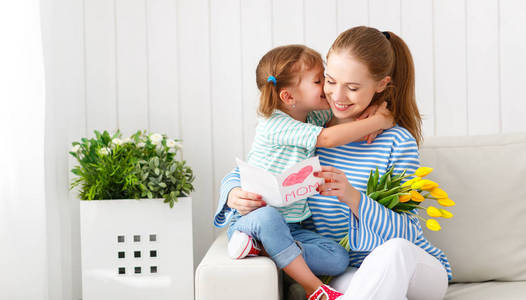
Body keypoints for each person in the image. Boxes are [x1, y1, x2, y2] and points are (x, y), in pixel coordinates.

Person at [217, 26, 451, 300]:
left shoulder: (396, 141)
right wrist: (234, 194)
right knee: (345, 284)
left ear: (381, 85)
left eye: (352, 88)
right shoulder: (310, 134)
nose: (337, 96)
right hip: (350, 269)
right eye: (329, 81)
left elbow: (408, 232)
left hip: (416, 270)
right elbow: (254, 169)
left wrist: (353, 197)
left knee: (394, 251)